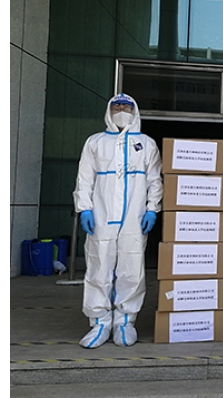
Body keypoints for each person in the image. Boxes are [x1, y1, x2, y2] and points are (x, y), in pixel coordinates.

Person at [73, 93, 163, 348]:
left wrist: (152, 209)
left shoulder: (146, 144)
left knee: (131, 270)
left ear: (135, 111)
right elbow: (84, 179)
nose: (121, 110)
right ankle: (99, 323)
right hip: (101, 217)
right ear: (109, 111)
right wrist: (85, 209)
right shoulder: (95, 142)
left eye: (126, 106)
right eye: (117, 106)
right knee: (98, 269)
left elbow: (155, 180)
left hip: (134, 218)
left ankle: (125, 322)